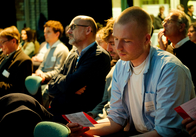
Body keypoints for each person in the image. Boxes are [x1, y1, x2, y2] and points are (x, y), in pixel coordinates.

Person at [67, 7, 195, 137]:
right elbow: (116, 118)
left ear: (147, 39)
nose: (118, 47)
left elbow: (166, 132)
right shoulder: (121, 67)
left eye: (127, 41)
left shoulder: (169, 69)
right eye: (116, 39)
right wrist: (83, 130)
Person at [46, 15, 111, 122]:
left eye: (73, 27)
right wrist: (69, 88)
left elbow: (70, 83)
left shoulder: (98, 56)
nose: (68, 31)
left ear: (88, 30)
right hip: (61, 112)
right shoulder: (73, 55)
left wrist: (64, 84)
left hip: (76, 118)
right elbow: (51, 86)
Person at [87, 17, 119, 121]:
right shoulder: (113, 70)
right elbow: (105, 102)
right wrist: (92, 115)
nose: (108, 49)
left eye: (113, 44)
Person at [0, 26, 33, 102]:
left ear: (13, 41)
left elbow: (16, 88)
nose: (0, 46)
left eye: (2, 42)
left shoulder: (24, 60)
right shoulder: (3, 56)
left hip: (3, 99)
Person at [158, 9, 196, 89]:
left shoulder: (193, 50)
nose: (164, 25)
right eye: (164, 21)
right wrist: (163, 51)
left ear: (181, 27)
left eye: (168, 22)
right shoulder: (167, 48)